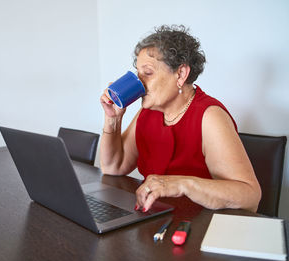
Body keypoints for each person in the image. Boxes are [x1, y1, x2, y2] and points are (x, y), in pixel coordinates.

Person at [99, 25, 261, 213]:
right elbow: (113, 167)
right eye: (138, 74)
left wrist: (184, 184)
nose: (139, 83)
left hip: (196, 226)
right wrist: (112, 120)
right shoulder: (149, 111)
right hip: (154, 219)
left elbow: (250, 196)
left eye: (148, 73)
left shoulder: (209, 117)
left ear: (181, 74)